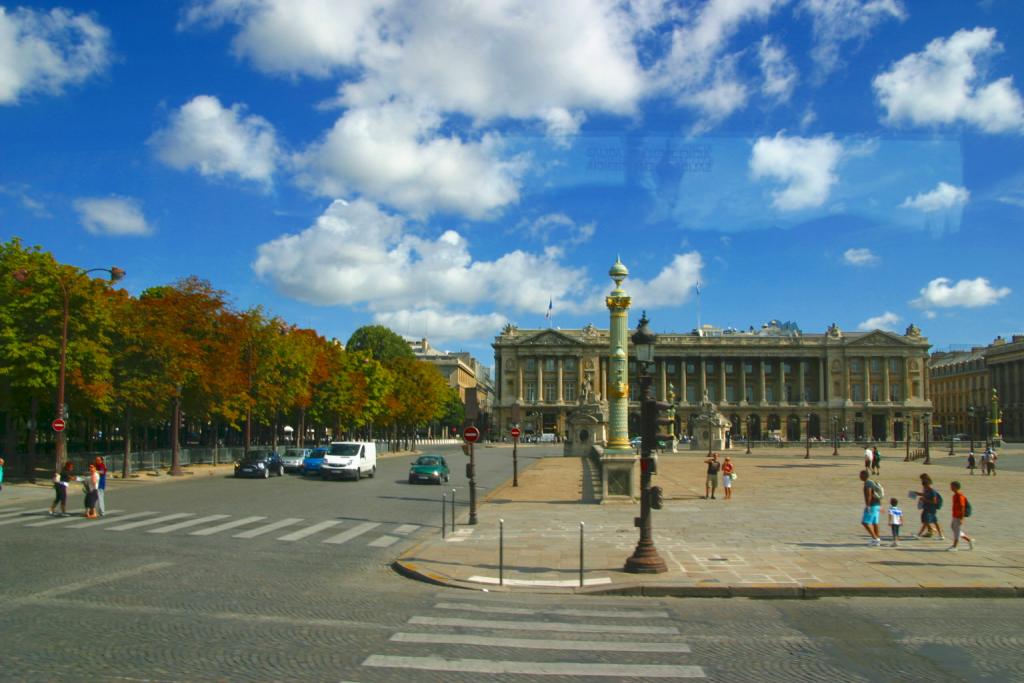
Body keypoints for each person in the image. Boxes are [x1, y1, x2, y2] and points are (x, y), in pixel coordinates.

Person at [914, 473, 944, 540]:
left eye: (924, 486)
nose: (924, 488)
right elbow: (925, 494)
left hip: (931, 509)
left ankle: (919, 535)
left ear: (927, 485)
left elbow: (934, 501)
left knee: (926, 521)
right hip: (927, 508)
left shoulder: (932, 491)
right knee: (934, 521)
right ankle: (941, 535)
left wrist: (925, 500)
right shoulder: (927, 490)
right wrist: (918, 494)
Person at [948, 481, 974, 551]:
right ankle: (969, 540)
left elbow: (962, 507)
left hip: (958, 516)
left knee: (957, 531)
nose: (951, 488)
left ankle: (955, 546)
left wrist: (962, 518)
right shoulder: (954, 496)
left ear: (956, 487)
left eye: (952, 486)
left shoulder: (960, 496)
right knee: (954, 528)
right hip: (955, 515)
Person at [859, 469, 883, 546]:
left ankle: (875, 538)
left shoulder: (868, 483)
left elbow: (869, 495)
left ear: (863, 475)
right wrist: (880, 505)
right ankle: (877, 538)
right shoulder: (871, 482)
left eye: (860, 475)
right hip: (877, 504)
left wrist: (868, 506)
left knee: (865, 522)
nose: (859, 476)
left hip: (872, 505)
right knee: (875, 522)